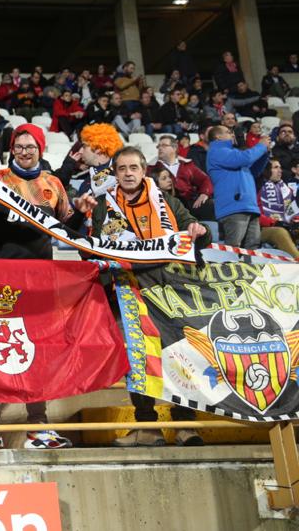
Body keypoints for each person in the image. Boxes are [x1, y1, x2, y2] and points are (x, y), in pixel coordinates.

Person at [72, 146, 209, 447]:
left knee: (178, 356)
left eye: (134, 167)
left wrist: (198, 230)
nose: (128, 173)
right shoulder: (102, 208)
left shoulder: (169, 202)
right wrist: (84, 222)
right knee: (138, 360)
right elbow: (90, 254)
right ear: (116, 173)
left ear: (144, 170)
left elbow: (196, 231)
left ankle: (185, 425)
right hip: (127, 291)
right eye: (122, 169)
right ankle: (147, 426)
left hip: (168, 291)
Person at [0, 124, 74, 450]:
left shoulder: (53, 184)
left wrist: (84, 211)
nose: (24, 151)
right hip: (1, 278)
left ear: (41, 149)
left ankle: (38, 426)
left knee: (38, 351)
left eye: (31, 146)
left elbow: (67, 225)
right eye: (19, 145)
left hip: (41, 280)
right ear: (11, 148)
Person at [205, 124, 270, 248]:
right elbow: (245, 158)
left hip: (248, 206)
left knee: (253, 248)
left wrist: (264, 153)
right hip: (233, 208)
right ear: (218, 137)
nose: (233, 134)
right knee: (233, 248)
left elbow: (253, 171)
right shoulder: (216, 151)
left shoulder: (233, 153)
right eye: (228, 132)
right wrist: (261, 145)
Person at [149, 135, 214, 220]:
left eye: (164, 145)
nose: (160, 148)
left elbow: (205, 179)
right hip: (165, 204)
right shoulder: (151, 168)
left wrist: (204, 194)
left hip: (190, 203)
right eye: (159, 146)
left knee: (211, 205)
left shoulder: (187, 164)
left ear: (174, 148)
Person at [258, 159, 299, 259]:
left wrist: (296, 222)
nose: (280, 170)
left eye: (280, 167)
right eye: (276, 167)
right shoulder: (258, 188)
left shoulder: (286, 189)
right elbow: (255, 215)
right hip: (264, 228)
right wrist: (275, 222)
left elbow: (293, 210)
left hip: (287, 224)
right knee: (280, 232)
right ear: (267, 170)